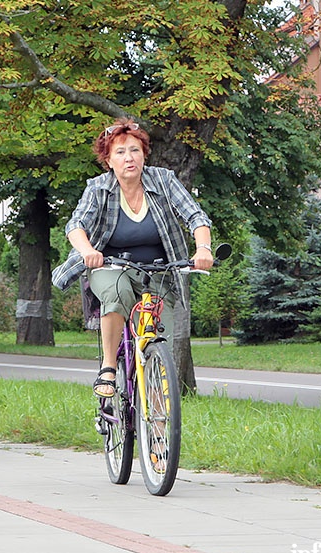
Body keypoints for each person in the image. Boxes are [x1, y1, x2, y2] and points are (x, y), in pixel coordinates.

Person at [51, 118, 214, 399]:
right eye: (121, 152)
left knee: (160, 334)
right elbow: (76, 225)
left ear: (144, 154)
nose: (129, 158)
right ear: (109, 160)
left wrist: (203, 249)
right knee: (118, 294)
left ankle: (159, 418)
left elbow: (195, 216)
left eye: (135, 150)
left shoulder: (163, 180)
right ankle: (109, 367)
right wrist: (88, 251)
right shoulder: (99, 188)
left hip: (159, 269)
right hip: (110, 265)